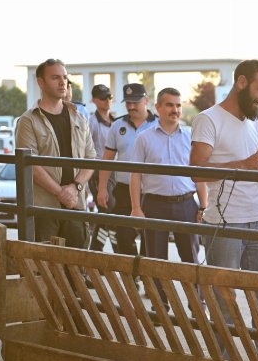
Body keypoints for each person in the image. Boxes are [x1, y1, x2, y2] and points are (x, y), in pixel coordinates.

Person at [190, 59, 258, 359]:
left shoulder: (254, 120)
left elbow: (252, 169)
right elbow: (197, 171)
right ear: (242, 82)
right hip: (224, 224)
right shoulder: (208, 120)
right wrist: (244, 165)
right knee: (224, 301)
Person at [129, 88, 207, 307]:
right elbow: (135, 176)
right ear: (158, 108)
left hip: (186, 204)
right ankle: (159, 304)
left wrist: (204, 206)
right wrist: (136, 208)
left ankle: (197, 304)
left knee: (191, 258)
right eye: (170, 105)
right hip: (154, 205)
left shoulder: (192, 138)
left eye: (178, 105)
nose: (175, 110)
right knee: (156, 259)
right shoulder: (144, 138)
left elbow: (198, 174)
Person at [15, 58, 95, 247]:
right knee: (45, 271)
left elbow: (91, 158)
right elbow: (30, 165)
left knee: (76, 268)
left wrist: (75, 188)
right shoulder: (28, 121)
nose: (62, 82)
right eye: (55, 77)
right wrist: (60, 193)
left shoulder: (79, 117)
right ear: (40, 82)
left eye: (65, 77)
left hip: (76, 205)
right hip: (44, 209)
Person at [97, 83, 157, 257]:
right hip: (124, 190)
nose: (131, 106)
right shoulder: (117, 125)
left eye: (135, 102)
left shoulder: (158, 124)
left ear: (146, 100)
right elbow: (107, 159)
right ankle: (132, 279)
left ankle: (146, 278)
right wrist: (102, 189)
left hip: (150, 191)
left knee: (150, 239)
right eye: (128, 102)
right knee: (123, 236)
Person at [87, 84, 117, 252]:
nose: (107, 101)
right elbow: (87, 150)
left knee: (107, 215)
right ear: (94, 100)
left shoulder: (116, 122)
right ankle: (119, 252)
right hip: (98, 172)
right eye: (103, 98)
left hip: (116, 172)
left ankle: (94, 254)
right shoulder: (91, 123)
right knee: (109, 212)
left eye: (110, 97)